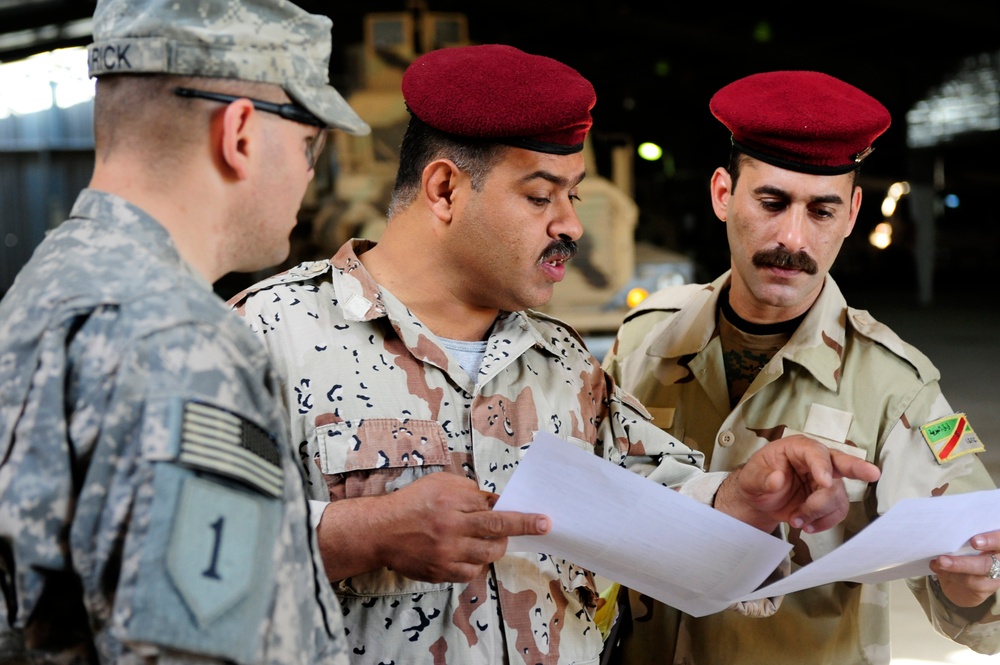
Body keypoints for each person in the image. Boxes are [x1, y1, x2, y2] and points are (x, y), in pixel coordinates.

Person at [228, 46, 880, 664]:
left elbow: (656, 497)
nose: (572, 223)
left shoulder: (562, 363)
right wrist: (361, 533)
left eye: (573, 193)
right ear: (445, 190)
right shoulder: (264, 337)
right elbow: (161, 546)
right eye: (542, 196)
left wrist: (743, 494)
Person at [0, 0, 371, 662]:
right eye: (309, 142)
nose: (310, 171)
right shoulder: (182, 343)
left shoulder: (46, 287)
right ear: (241, 134)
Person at [603, 69, 1000, 664]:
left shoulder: (897, 385)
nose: (792, 238)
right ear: (721, 195)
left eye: (821, 211)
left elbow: (975, 569)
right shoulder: (643, 338)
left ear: (851, 214)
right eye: (771, 202)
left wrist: (974, 587)